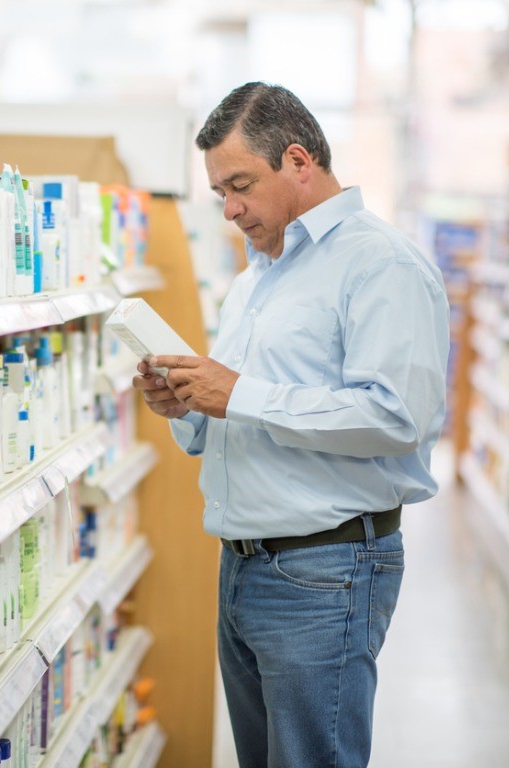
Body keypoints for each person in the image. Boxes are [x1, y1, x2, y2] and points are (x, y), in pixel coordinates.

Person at [133, 82, 450, 767]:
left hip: (324, 570)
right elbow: (238, 409)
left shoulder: (378, 264)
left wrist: (240, 394)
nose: (230, 209)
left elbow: (397, 417)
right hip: (244, 567)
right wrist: (185, 408)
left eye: (240, 185)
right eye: (220, 192)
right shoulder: (259, 278)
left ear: (299, 161)